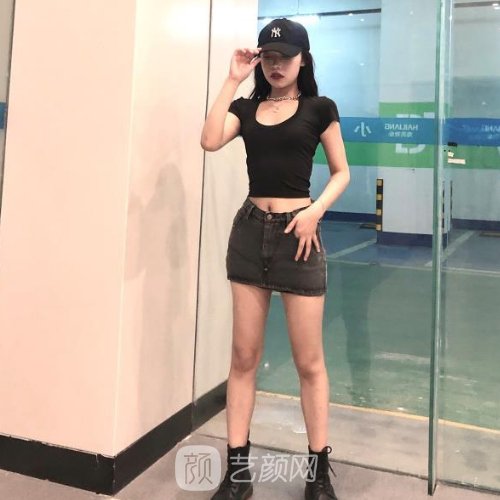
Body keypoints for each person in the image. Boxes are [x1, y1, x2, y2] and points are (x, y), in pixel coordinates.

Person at [200, 17, 350, 500]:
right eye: (268, 56)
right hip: (249, 234)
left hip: (299, 237)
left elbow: (341, 172)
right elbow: (209, 139)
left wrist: (315, 211)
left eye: (285, 56)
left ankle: (318, 474)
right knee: (243, 357)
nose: (276, 64)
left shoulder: (319, 108)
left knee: (309, 362)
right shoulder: (246, 107)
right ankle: (237, 474)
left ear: (303, 60)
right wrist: (232, 78)